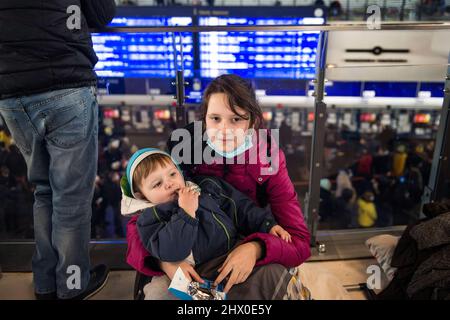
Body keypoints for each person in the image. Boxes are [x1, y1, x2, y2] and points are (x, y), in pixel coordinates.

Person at [126, 74, 311, 298]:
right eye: (215, 118)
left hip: (243, 242)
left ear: (252, 121)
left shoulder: (269, 158)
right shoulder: (184, 150)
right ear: (204, 120)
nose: (224, 130)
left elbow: (300, 242)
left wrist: (256, 248)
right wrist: (165, 262)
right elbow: (143, 218)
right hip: (186, 248)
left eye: (236, 119)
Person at [0, 0, 116, 300]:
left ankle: (45, 283)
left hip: (11, 91)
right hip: (66, 86)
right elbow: (102, 15)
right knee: (72, 199)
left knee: (44, 191)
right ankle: (72, 285)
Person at [122, 149, 292, 298]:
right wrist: (186, 213)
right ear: (142, 196)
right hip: (198, 273)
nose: (169, 183)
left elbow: (240, 207)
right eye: (157, 184)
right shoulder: (149, 219)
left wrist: (267, 224)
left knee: (273, 272)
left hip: (231, 251)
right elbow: (171, 252)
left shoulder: (205, 187)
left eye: (173, 174)